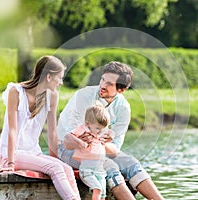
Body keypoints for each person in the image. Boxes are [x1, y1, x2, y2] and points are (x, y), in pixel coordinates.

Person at [57, 61, 164, 200]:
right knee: (109, 166)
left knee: (131, 163)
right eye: (102, 80)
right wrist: (95, 142)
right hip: (68, 150)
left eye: (109, 84)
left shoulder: (123, 108)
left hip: (99, 149)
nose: (102, 85)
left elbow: (115, 148)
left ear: (121, 90)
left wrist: (99, 143)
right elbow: (70, 140)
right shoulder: (84, 96)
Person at [0, 55, 80, 200]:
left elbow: (52, 132)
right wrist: (10, 163)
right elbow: (12, 129)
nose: (60, 83)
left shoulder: (52, 96)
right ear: (48, 77)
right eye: (59, 78)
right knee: (56, 169)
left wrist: (54, 159)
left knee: (65, 168)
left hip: (33, 153)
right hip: (12, 154)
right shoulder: (16, 92)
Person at [70, 104, 114, 200]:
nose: (100, 131)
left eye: (103, 128)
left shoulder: (101, 132)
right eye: (98, 128)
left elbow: (110, 132)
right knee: (97, 189)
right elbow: (71, 136)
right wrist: (80, 142)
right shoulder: (84, 130)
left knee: (102, 195)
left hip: (100, 171)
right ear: (87, 124)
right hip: (87, 170)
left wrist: (111, 135)